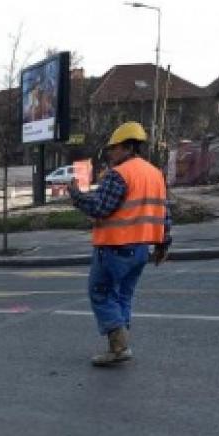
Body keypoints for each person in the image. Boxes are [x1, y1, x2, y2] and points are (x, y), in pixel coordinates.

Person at [67, 121, 171, 367]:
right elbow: (164, 214)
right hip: (141, 249)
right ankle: (119, 344)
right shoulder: (154, 174)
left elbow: (100, 207)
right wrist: (163, 244)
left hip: (115, 247)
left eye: (114, 148)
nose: (111, 153)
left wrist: (76, 195)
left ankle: (119, 346)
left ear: (128, 147)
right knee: (123, 295)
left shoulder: (119, 174)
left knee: (101, 293)